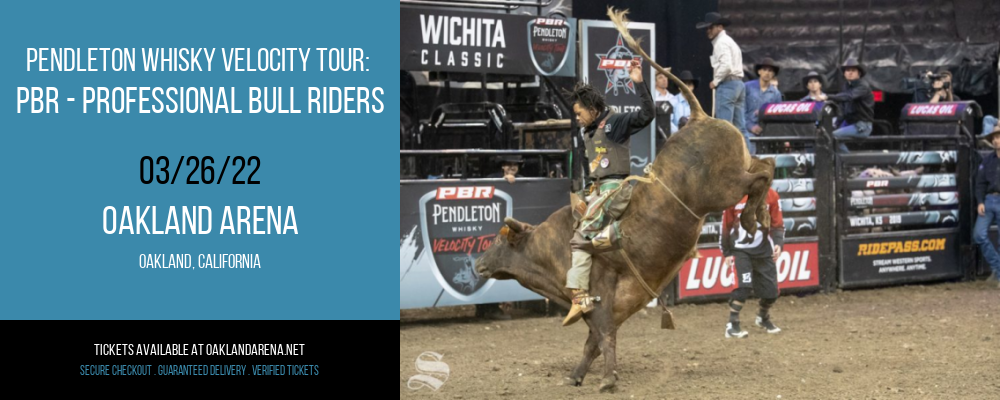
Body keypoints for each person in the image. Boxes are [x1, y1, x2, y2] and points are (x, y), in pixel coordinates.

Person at [562, 59, 655, 326]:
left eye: (580, 113)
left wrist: (638, 82)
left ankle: (580, 297)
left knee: (580, 239)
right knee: (578, 228)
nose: (577, 118)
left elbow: (647, 115)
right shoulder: (588, 132)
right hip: (598, 189)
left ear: (593, 110)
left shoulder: (614, 124)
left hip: (615, 189)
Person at [720, 187, 785, 338]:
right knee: (743, 287)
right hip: (740, 250)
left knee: (772, 293)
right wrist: (727, 253)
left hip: (763, 250)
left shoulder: (772, 195)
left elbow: (778, 224)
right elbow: (725, 226)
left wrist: (778, 244)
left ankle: (763, 317)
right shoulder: (734, 195)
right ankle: (732, 325)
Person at [697, 12, 749, 153]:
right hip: (738, 84)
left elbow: (726, 65)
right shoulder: (730, 41)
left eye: (710, 27)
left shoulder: (721, 43)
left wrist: (716, 81)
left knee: (724, 127)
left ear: (719, 27)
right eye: (707, 28)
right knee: (740, 127)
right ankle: (749, 159)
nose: (708, 31)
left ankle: (727, 161)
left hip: (728, 85)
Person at [816, 58, 874, 154]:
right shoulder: (846, 86)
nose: (850, 73)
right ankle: (840, 164)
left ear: (859, 73)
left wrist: (827, 97)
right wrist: (835, 124)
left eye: (853, 70)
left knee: (832, 136)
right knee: (827, 136)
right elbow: (843, 108)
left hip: (862, 126)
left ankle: (849, 163)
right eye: (847, 70)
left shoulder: (863, 86)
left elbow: (849, 96)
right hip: (851, 124)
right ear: (844, 73)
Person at [975, 126, 1000, 288]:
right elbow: (980, 183)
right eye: (995, 138)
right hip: (990, 199)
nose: (996, 140)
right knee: (978, 234)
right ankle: (998, 269)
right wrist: (980, 201)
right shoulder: (988, 160)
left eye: (998, 137)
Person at [745, 57, 784, 139]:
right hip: (747, 131)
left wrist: (765, 112)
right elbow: (740, 111)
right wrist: (751, 126)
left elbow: (778, 117)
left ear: (773, 74)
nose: (767, 73)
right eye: (765, 69)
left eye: (770, 71)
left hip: (766, 132)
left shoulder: (776, 94)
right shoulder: (747, 87)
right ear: (759, 71)